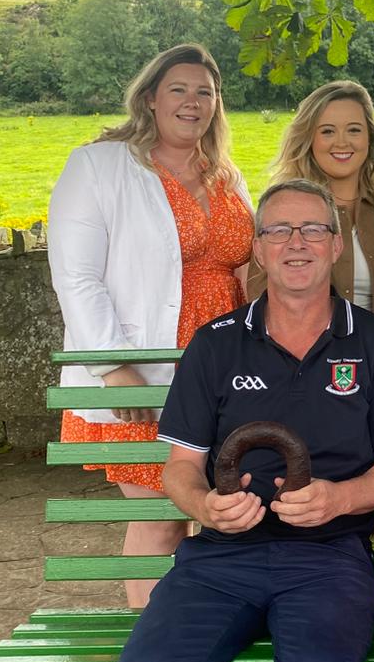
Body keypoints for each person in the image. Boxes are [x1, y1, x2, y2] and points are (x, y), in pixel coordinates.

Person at [109, 179, 374, 662]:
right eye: (278, 230)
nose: (296, 243)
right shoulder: (216, 343)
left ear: (335, 246)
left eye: (311, 230)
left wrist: (340, 497)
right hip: (221, 559)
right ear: (257, 250)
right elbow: (180, 472)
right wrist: (208, 508)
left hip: (328, 559)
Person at [48, 43, 252, 601]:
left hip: (225, 371)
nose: (193, 102)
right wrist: (113, 366)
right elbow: (75, 276)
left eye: (205, 92)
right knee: (163, 515)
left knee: (209, 516)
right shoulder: (100, 165)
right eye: (179, 90)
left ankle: (196, 635)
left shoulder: (226, 176)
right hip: (143, 372)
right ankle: (147, 648)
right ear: (150, 99)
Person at [248, 80, 374, 314]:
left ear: (370, 138)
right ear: (310, 139)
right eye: (328, 131)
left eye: (354, 129)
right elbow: (260, 295)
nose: (342, 142)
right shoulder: (284, 209)